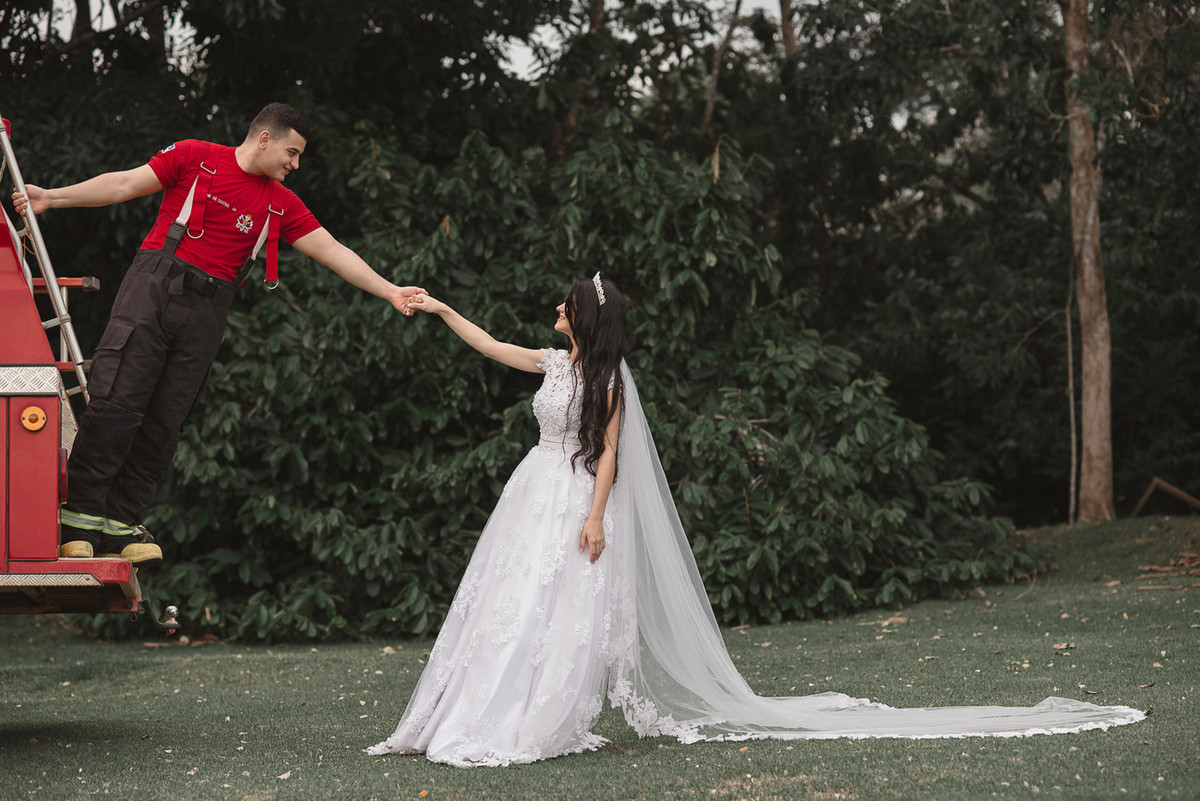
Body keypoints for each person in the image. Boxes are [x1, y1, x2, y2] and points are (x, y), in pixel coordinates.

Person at [366, 274, 1144, 768]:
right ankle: (479, 705)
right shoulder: (553, 362)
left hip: (572, 499)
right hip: (530, 491)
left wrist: (598, 517)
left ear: (586, 318)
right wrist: (438, 309)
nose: (555, 309)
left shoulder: (608, 382)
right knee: (509, 604)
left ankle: (536, 717)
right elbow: (490, 343)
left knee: (559, 606)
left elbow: (608, 455)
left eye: (566, 303)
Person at [11, 103, 425, 565]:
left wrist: (390, 291)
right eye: (292, 152)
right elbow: (126, 183)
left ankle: (119, 527)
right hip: (154, 291)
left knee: (166, 421)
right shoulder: (194, 156)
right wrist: (53, 197)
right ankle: (81, 521)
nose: (296, 165)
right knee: (118, 402)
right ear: (264, 138)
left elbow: (332, 251)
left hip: (208, 312)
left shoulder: (281, 204)